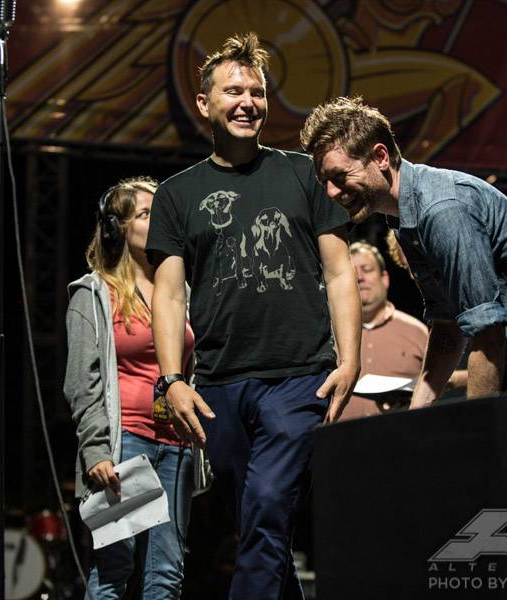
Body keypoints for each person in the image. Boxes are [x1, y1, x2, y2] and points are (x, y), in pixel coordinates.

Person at [146, 33, 361, 599]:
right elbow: (168, 295)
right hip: (219, 386)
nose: (248, 101)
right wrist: (172, 380)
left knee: (267, 506)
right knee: (257, 527)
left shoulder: (303, 175)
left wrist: (351, 361)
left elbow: (340, 273)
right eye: (233, 90)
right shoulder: (176, 194)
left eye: (258, 92)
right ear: (204, 103)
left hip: (298, 378)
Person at [300, 97, 507, 405]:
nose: (331, 192)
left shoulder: (441, 210)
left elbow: (487, 334)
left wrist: (475, 429)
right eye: (325, 182)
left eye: (339, 177)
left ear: (380, 156)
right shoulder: (406, 217)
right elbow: (447, 327)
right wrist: (419, 409)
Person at [63, 177, 195, 599]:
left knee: (166, 575)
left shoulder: (181, 292)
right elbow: (83, 382)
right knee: (115, 569)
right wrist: (95, 449)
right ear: (117, 228)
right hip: (127, 446)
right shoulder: (95, 295)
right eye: (145, 213)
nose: (158, 220)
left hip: (176, 445)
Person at [341, 240, 466, 420]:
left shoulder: (417, 331)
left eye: (367, 270)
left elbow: (442, 379)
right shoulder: (329, 336)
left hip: (402, 439)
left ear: (385, 278)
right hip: (339, 442)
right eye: (353, 273)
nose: (360, 277)